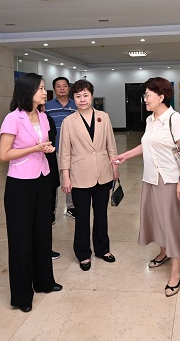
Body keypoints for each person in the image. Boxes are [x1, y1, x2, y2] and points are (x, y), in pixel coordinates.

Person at [114, 77, 180, 297]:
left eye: (148, 95)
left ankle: (176, 272)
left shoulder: (174, 119)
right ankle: (163, 251)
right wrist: (126, 155)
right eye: (145, 95)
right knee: (157, 218)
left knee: (172, 223)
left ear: (161, 97)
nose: (145, 99)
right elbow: (146, 145)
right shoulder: (150, 120)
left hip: (170, 179)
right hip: (151, 178)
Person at [0, 73, 62, 313]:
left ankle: (44, 281)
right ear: (27, 91)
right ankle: (22, 295)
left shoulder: (44, 116)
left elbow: (42, 145)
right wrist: (36, 148)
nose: (45, 92)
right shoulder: (12, 118)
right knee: (21, 239)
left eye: (45, 88)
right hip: (20, 184)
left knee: (43, 232)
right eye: (40, 89)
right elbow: (4, 154)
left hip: (43, 179)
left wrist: (46, 148)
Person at [58, 79, 119, 272]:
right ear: (73, 99)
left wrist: (115, 167)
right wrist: (65, 177)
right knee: (82, 217)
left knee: (101, 215)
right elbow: (64, 152)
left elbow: (111, 145)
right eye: (78, 96)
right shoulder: (69, 121)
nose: (82, 99)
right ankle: (83, 253)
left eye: (85, 95)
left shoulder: (103, 117)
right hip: (79, 175)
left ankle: (102, 249)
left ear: (92, 96)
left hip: (103, 173)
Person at [45, 77, 77, 218]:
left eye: (64, 86)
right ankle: (51, 210)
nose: (62, 88)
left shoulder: (76, 105)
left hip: (73, 150)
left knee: (72, 179)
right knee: (53, 181)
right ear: (54, 89)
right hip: (54, 149)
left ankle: (71, 207)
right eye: (58, 86)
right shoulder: (47, 106)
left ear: (69, 88)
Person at [44, 112, 61, 260]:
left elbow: (52, 141)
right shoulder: (15, 118)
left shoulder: (45, 118)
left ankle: (44, 248)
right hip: (27, 174)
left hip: (48, 167)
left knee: (46, 212)